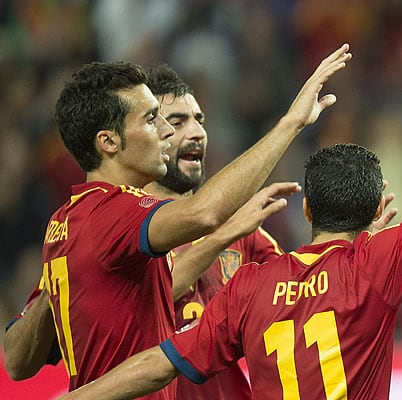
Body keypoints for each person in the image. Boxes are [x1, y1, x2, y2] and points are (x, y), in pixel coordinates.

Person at [57, 9, 402, 399]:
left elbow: (161, 362)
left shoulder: (250, 285)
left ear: (307, 213)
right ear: (375, 212)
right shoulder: (377, 264)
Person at [36, 43, 351, 399]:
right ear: (110, 140)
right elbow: (204, 215)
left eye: (198, 120)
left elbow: (302, 295)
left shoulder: (73, 219)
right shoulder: (112, 215)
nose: (176, 133)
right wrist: (291, 123)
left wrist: (348, 241)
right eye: (160, 120)